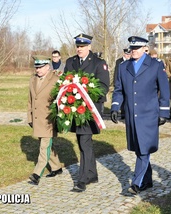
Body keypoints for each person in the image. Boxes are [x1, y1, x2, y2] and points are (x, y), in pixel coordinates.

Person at [111, 36, 170, 194]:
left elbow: (164, 90)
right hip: (131, 115)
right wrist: (115, 107)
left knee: (144, 150)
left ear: (145, 48)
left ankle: (136, 183)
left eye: (137, 48)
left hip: (149, 114)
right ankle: (147, 181)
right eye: (132, 48)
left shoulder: (155, 65)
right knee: (139, 148)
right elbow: (119, 90)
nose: (134, 51)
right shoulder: (124, 67)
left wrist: (164, 111)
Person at [64, 33, 110, 192]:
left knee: (84, 141)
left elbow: (104, 86)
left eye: (82, 46)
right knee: (83, 141)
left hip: (90, 110)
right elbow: (64, 83)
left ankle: (82, 179)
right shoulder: (70, 62)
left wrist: (87, 94)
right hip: (74, 109)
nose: (79, 49)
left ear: (89, 47)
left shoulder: (98, 63)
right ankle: (92, 174)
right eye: (77, 46)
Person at [27, 55, 63, 185]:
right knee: (46, 144)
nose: (38, 70)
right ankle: (56, 167)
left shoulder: (55, 79)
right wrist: (30, 117)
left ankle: (37, 174)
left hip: (49, 119)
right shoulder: (33, 80)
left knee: (44, 147)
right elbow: (30, 100)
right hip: (37, 119)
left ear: (48, 67)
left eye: (41, 67)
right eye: (36, 67)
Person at [113, 48, 131, 119]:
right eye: (127, 54)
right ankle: (123, 113)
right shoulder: (119, 62)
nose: (128, 56)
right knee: (121, 98)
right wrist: (115, 82)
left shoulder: (131, 61)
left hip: (127, 82)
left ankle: (126, 113)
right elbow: (116, 72)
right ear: (124, 54)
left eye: (129, 54)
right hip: (120, 82)